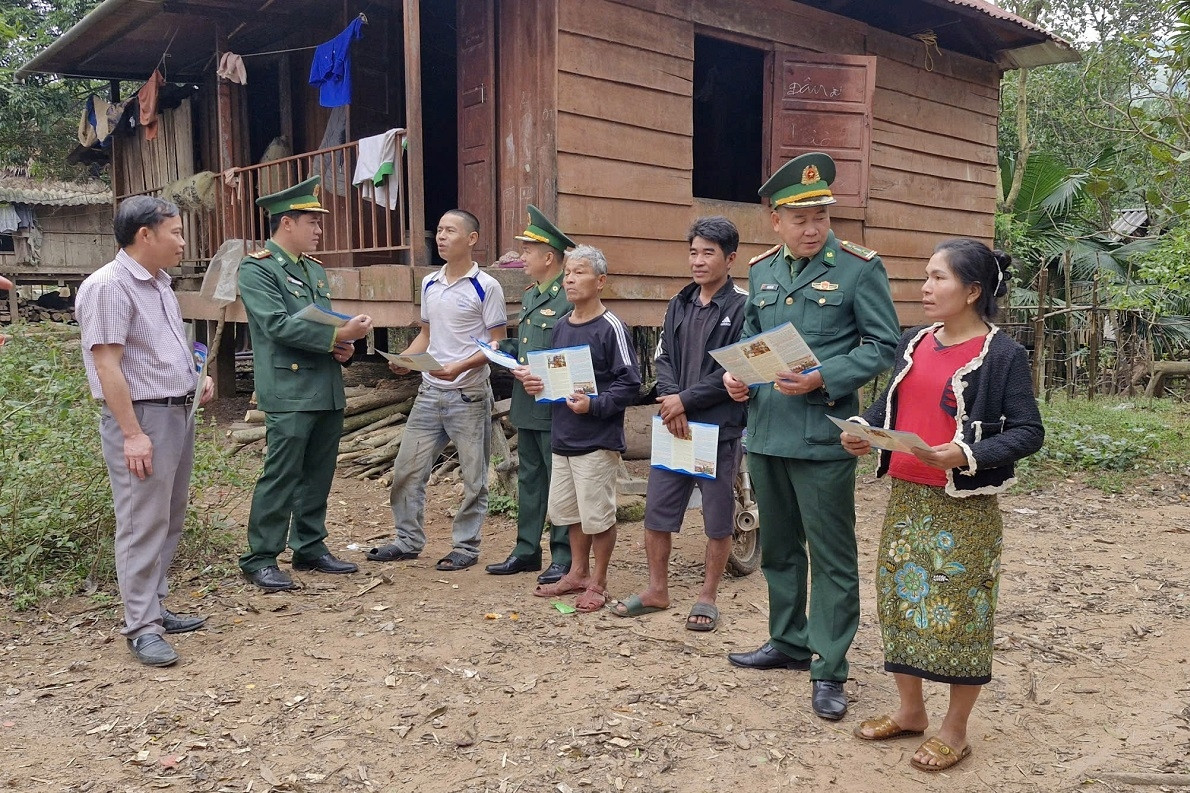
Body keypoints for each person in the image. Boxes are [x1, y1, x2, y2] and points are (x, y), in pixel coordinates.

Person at [844, 239, 1044, 772]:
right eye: (926, 277)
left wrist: (966, 454)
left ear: (973, 291)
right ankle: (910, 712)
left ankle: (955, 729)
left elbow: (1028, 432)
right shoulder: (914, 341)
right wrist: (863, 428)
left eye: (938, 278)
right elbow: (890, 404)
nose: (926, 288)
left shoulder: (1002, 355)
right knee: (900, 604)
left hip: (965, 508)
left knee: (961, 615)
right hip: (907, 499)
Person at [723, 152, 901, 720]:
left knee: (831, 556)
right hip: (767, 431)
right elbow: (753, 337)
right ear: (775, 220)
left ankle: (829, 665)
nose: (812, 228)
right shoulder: (762, 271)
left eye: (821, 216)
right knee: (778, 548)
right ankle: (788, 640)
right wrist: (737, 377)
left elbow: (883, 346)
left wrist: (825, 375)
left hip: (823, 434)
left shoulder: (858, 268)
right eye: (799, 219)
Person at [75, 195, 215, 667]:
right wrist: (132, 434)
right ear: (145, 235)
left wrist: (196, 376)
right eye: (176, 232)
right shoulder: (109, 286)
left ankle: (154, 605)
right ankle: (141, 627)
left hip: (176, 413)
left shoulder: (159, 284)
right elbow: (107, 366)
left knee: (168, 516)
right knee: (140, 523)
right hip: (142, 419)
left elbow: (163, 348)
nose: (182, 242)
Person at [610, 216, 747, 631]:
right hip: (674, 426)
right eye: (693, 252)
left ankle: (707, 596)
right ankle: (657, 589)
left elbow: (735, 369)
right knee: (657, 512)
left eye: (708, 253)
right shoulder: (679, 303)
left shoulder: (743, 307)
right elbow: (664, 357)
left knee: (717, 519)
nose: (698, 261)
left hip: (717, 429)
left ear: (730, 258)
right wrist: (673, 400)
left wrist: (684, 400)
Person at [238, 176, 373, 592]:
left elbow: (320, 323)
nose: (318, 230)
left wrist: (343, 347)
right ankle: (261, 557)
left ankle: (309, 545)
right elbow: (277, 325)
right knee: (282, 473)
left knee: (318, 472)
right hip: (290, 388)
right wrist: (338, 334)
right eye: (312, 222)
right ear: (287, 223)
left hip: (325, 385)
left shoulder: (312, 269)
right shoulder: (257, 268)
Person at [369, 210, 507, 571]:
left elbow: (497, 344)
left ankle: (466, 547)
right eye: (440, 230)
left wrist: (459, 367)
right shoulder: (430, 282)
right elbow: (427, 335)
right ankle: (407, 540)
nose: (441, 237)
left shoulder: (486, 286)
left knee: (474, 478)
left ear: (472, 239)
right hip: (429, 394)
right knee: (407, 471)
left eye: (450, 231)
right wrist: (405, 359)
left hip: (469, 394)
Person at [526, 245, 641, 612]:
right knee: (570, 512)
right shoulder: (561, 325)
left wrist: (595, 405)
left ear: (601, 281)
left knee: (598, 515)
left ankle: (599, 581)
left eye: (579, 273)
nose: (570, 280)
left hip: (597, 439)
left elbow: (630, 383)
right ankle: (577, 572)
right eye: (567, 274)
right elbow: (556, 375)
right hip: (564, 436)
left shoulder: (611, 327)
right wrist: (537, 383)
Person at [485, 206, 575, 584]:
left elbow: (574, 356)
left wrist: (543, 373)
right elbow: (530, 345)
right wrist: (502, 348)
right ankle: (526, 551)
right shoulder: (531, 294)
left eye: (527, 251)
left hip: (556, 405)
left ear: (548, 257)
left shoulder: (568, 297)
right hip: (528, 403)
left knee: (560, 482)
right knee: (530, 480)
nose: (521, 257)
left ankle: (564, 556)